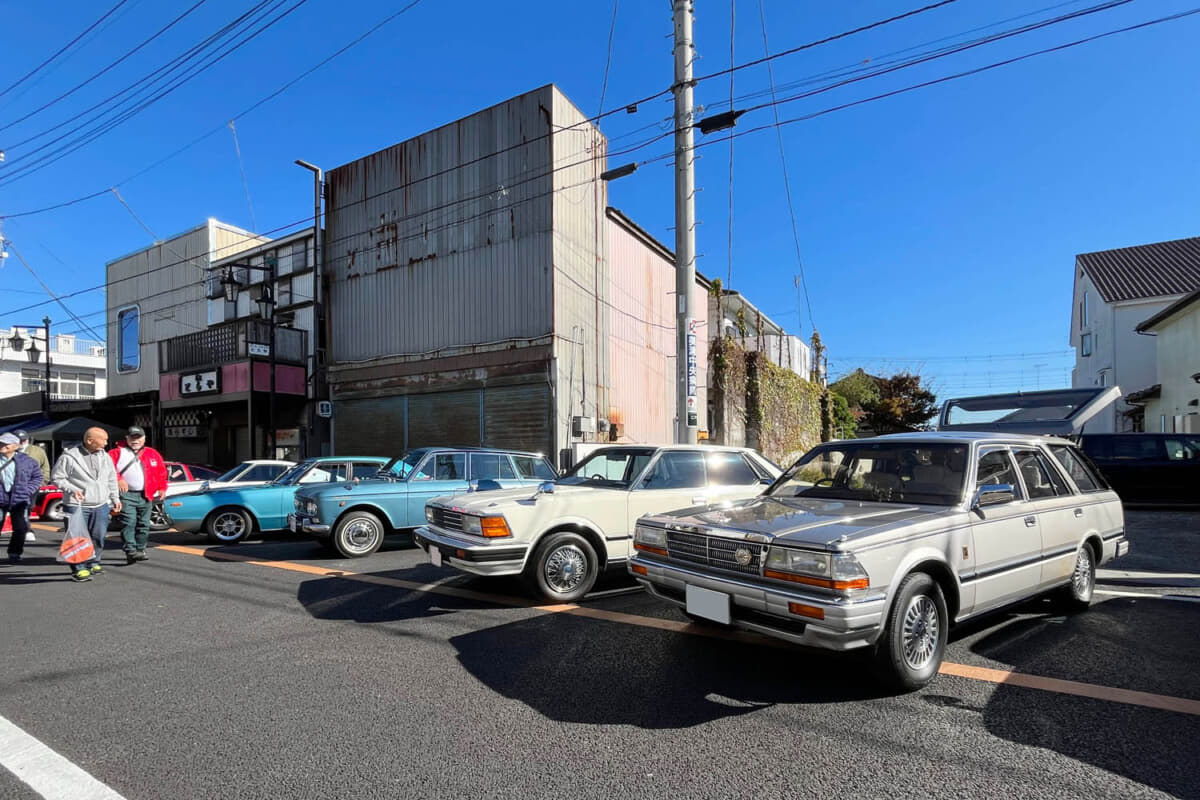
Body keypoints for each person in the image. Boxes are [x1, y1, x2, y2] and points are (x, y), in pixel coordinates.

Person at [50, 427, 121, 582]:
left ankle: (93, 561)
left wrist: (115, 498)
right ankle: (79, 568)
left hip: (101, 503)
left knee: (99, 536)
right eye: (103, 439)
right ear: (90, 441)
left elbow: (111, 478)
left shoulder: (105, 457)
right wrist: (72, 489)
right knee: (77, 538)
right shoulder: (69, 456)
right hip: (77, 504)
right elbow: (57, 477)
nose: (106, 443)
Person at [109, 426, 167, 565]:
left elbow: (161, 472)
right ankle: (130, 550)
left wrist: (162, 487)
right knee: (129, 522)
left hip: (146, 495)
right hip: (126, 494)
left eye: (138, 437)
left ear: (144, 439)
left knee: (144, 524)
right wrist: (119, 479)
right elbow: (108, 470)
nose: (135, 440)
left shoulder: (152, 453)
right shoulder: (116, 452)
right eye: (132, 437)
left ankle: (140, 550)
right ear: (127, 438)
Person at [1, 432, 44, 565]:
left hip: (20, 499)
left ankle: (15, 553)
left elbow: (37, 477)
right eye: (1, 443)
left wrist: (28, 491)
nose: (2, 446)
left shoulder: (27, 461)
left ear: (15, 446)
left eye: (5, 444)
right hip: (1, 497)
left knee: (20, 528)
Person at [14, 430, 50, 544]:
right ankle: (26, 529)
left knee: (29, 506)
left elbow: (45, 466)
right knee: (19, 507)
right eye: (19, 440)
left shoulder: (37, 451)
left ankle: (24, 528)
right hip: (13, 485)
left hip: (32, 485)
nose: (22, 442)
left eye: (24, 440)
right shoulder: (8, 450)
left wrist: (43, 481)